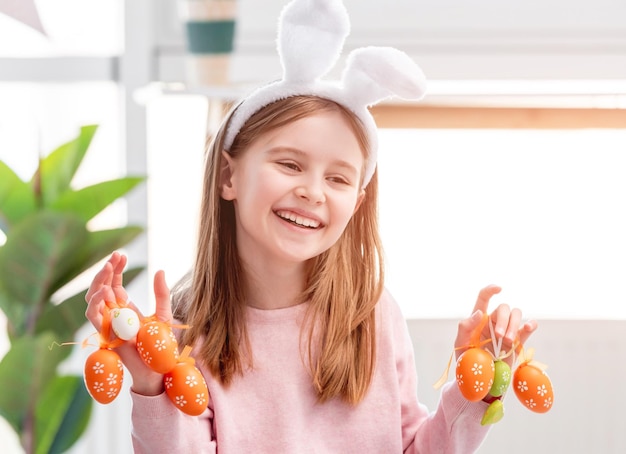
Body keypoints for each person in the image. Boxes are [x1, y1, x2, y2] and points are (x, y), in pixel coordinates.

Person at [85, 0, 537, 452]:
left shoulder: (373, 313)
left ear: (357, 204)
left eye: (338, 178)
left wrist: (474, 388)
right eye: (289, 164)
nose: (313, 192)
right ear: (229, 177)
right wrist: (151, 382)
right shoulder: (189, 329)